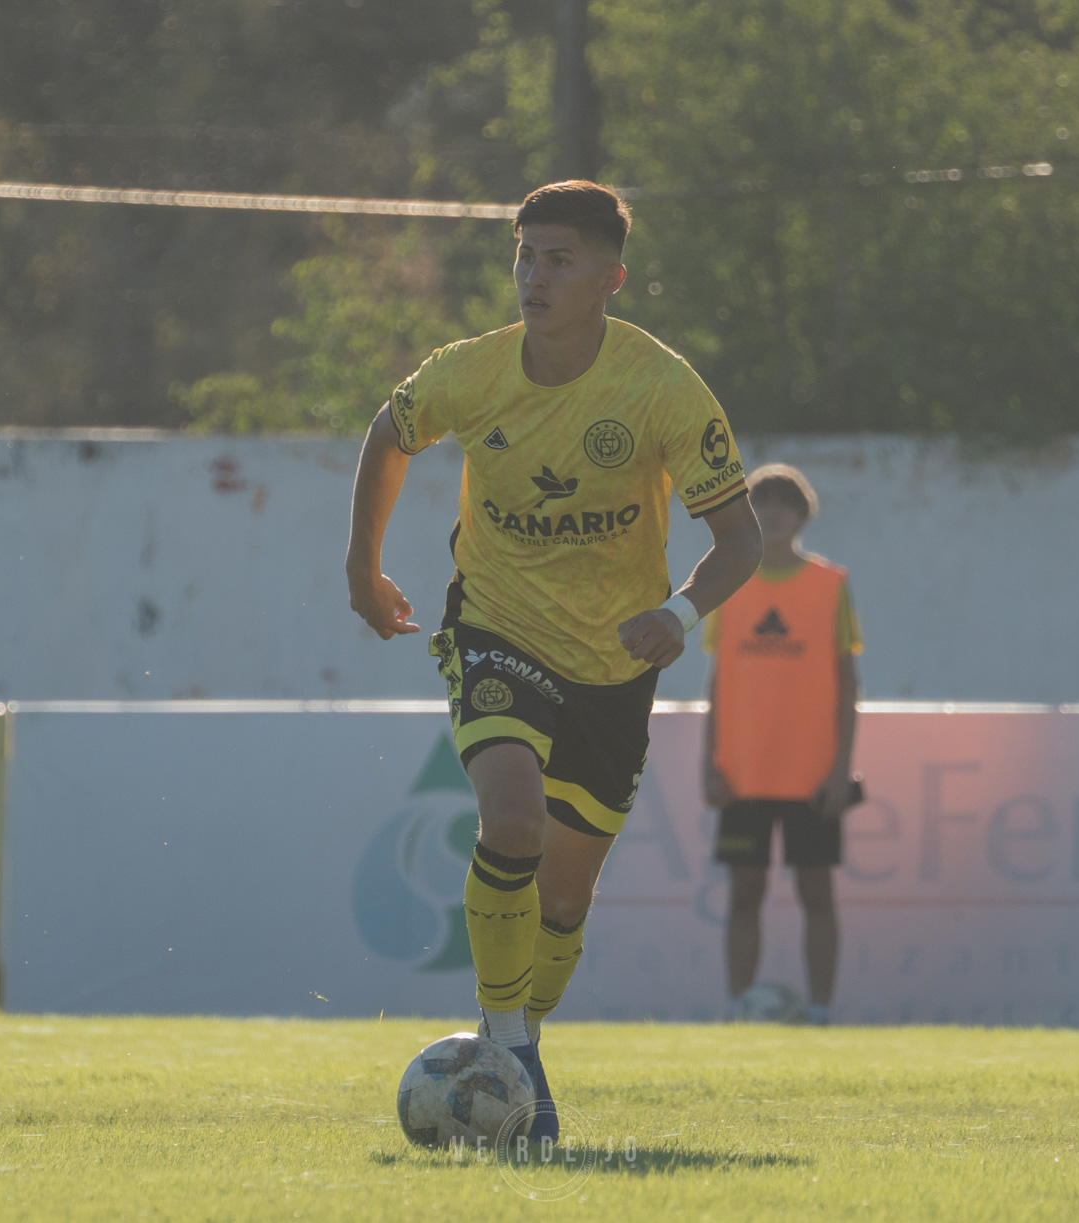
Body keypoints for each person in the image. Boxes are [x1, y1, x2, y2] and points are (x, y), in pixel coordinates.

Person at [346, 181, 763, 1138]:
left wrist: (680, 613)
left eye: (559, 260)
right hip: (495, 627)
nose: (534, 276)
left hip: (615, 663)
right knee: (512, 820)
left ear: (610, 278)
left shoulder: (663, 388)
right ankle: (509, 1047)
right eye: (526, 255)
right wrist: (363, 569)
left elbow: (739, 538)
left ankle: (521, 1029)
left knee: (565, 895)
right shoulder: (473, 370)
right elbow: (389, 430)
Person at [701, 463, 862, 1026]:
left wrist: (840, 771)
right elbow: (717, 683)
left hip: (811, 775)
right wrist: (709, 764)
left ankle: (819, 1011)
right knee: (744, 894)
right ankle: (737, 1008)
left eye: (783, 505)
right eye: (760, 504)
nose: (771, 514)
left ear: (801, 516)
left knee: (817, 893)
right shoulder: (728, 583)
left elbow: (848, 685)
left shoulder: (830, 584)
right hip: (743, 773)